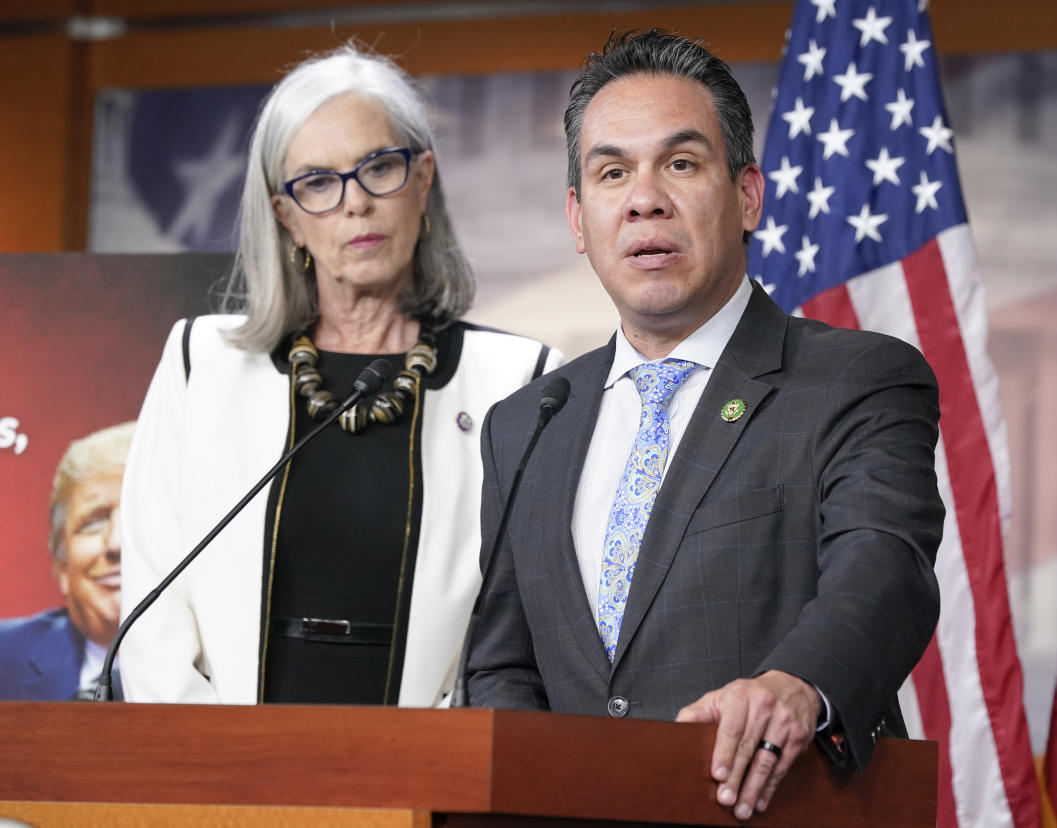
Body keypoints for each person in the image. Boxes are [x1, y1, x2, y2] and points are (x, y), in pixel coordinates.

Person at [463, 30, 943, 820]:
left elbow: (884, 567)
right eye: (612, 172)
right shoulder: (529, 423)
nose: (644, 198)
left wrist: (798, 684)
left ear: (747, 195)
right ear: (580, 219)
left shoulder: (855, 380)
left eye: (680, 164)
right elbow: (504, 666)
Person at [119, 44, 561, 707]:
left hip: (426, 778)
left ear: (422, 181)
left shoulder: (519, 382)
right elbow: (152, 609)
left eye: (378, 167)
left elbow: (519, 631)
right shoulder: (199, 365)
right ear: (284, 216)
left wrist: (429, 769)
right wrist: (215, 771)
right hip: (220, 780)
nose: (354, 203)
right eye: (318, 183)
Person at [0, 422, 134, 700]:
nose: (116, 544)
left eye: (139, 518)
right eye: (93, 523)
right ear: (60, 564)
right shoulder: (5, 659)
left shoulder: (238, 661)